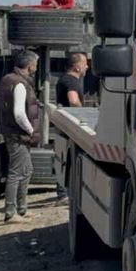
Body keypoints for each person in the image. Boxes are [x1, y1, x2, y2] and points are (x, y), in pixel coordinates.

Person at [0, 50, 41, 222]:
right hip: (18, 135)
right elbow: (19, 114)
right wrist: (31, 130)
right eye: (35, 64)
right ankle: (11, 212)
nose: (36, 67)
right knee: (16, 172)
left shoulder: (7, 79)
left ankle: (22, 209)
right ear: (30, 66)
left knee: (27, 170)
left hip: (12, 132)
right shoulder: (20, 84)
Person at [53, 52, 89, 203]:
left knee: (64, 156)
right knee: (68, 157)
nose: (87, 66)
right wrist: (82, 115)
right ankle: (63, 194)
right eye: (85, 63)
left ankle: (62, 192)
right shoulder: (71, 81)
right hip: (71, 125)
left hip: (64, 125)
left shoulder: (63, 79)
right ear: (77, 66)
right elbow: (73, 101)